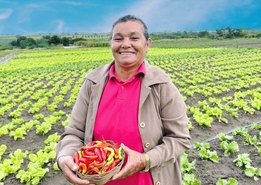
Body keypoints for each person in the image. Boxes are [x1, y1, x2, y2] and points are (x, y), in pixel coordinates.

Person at [55, 14, 191, 185]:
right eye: (118, 39)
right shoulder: (92, 83)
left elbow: (179, 139)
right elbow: (74, 133)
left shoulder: (162, 85)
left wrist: (145, 160)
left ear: (147, 44)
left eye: (134, 38)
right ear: (111, 44)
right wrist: (64, 156)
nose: (126, 44)